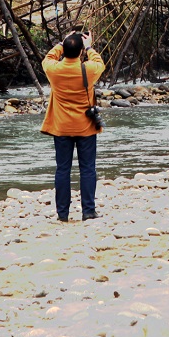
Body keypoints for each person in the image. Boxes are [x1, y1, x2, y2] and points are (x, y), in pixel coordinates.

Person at [40, 29, 106, 221]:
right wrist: (90, 47)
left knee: (62, 169)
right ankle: (88, 211)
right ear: (81, 53)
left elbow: (49, 57)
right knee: (87, 168)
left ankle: (62, 213)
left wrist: (62, 43)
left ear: (64, 51)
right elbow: (99, 63)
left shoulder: (53, 69)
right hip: (85, 126)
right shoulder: (89, 69)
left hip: (61, 126)